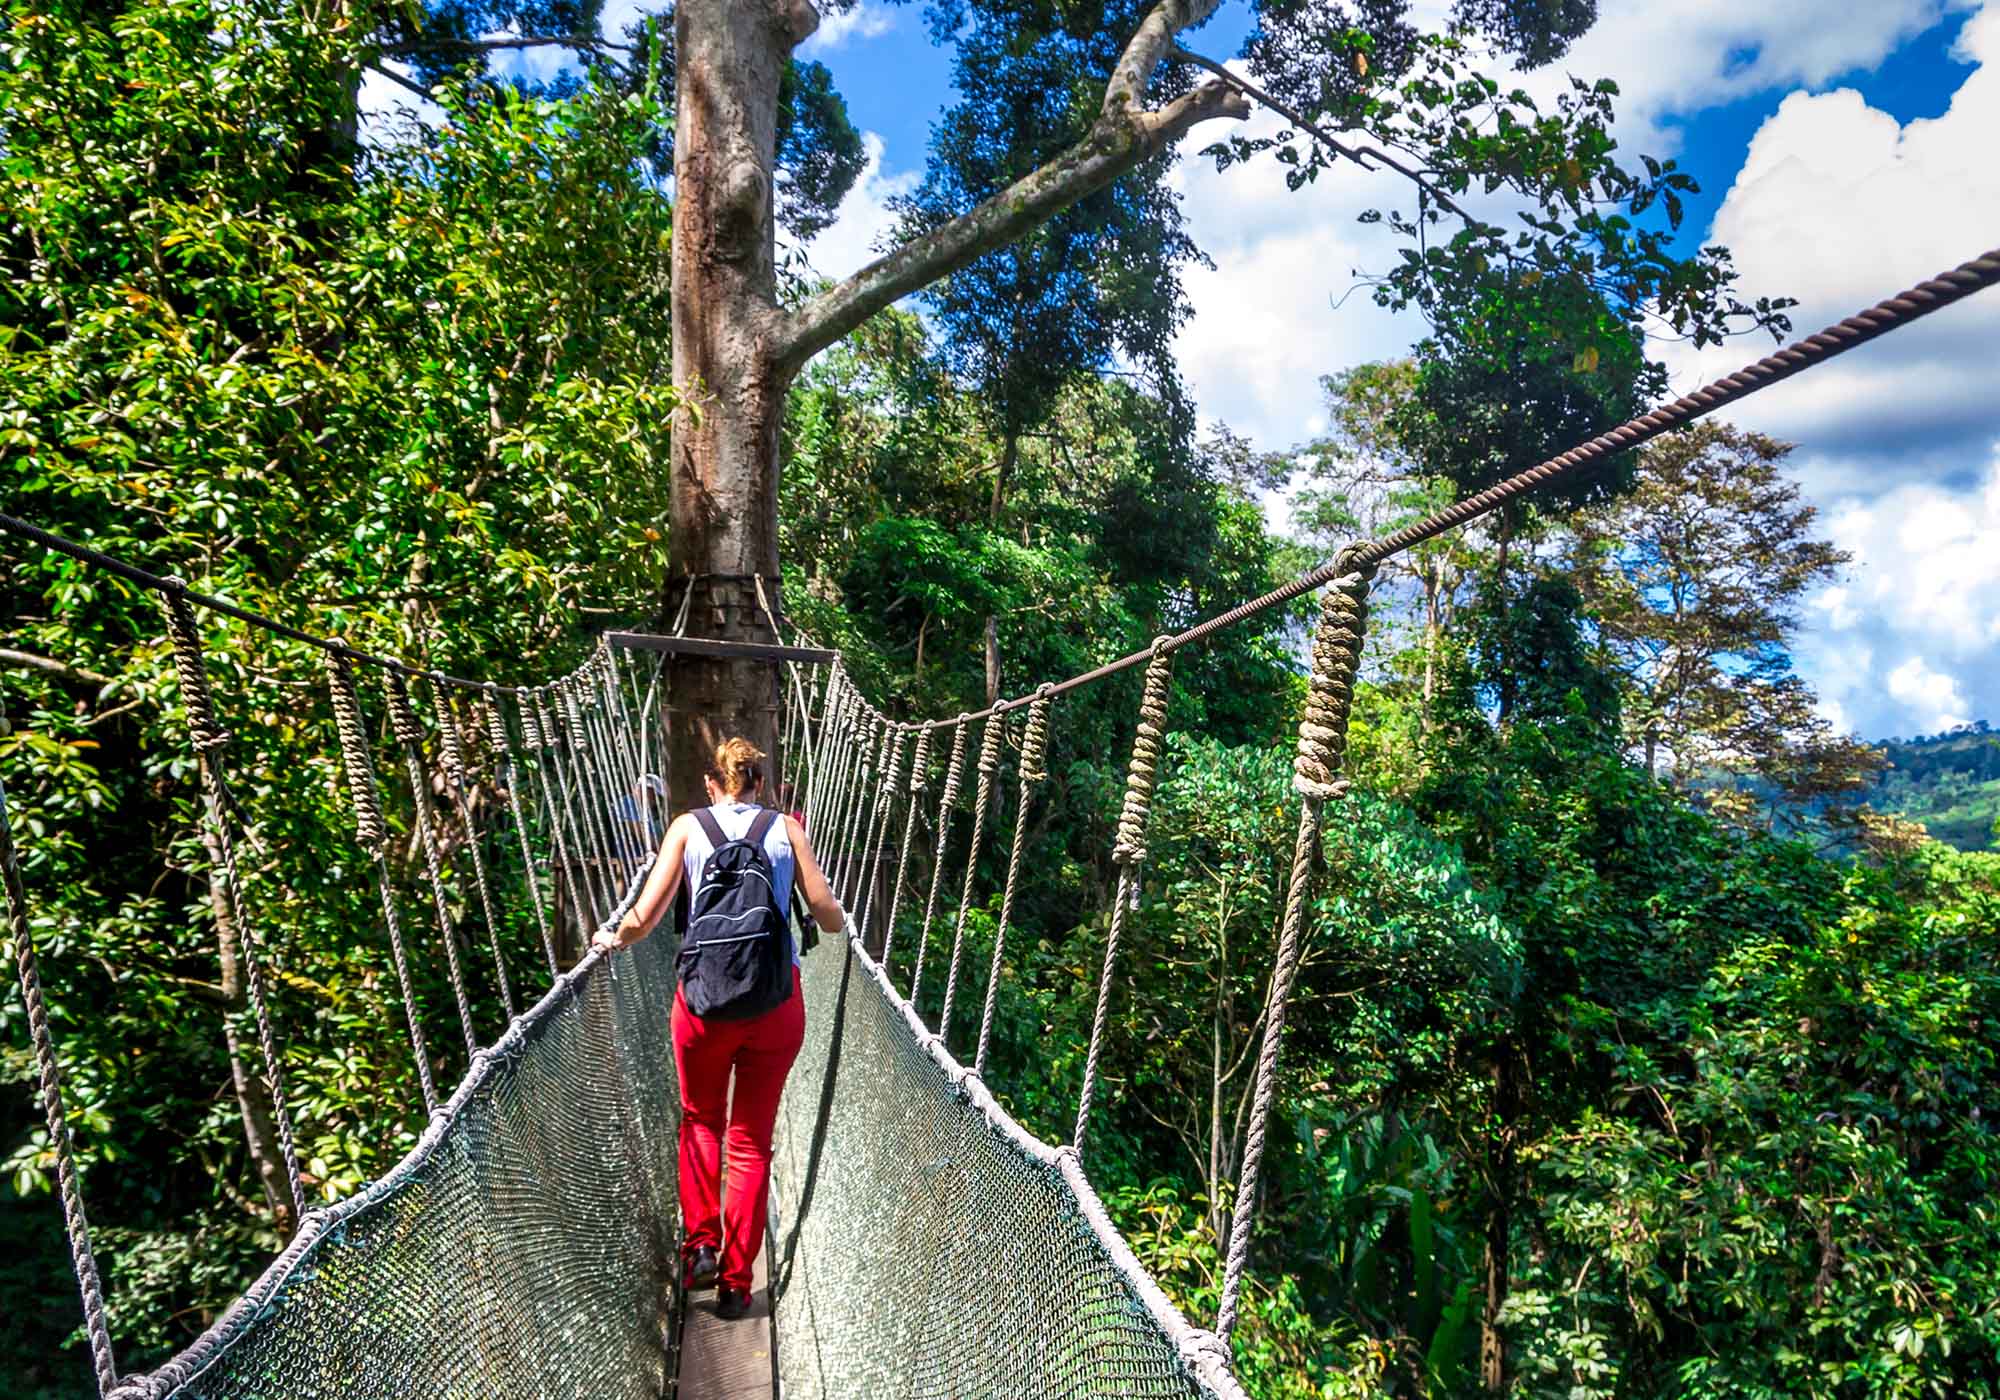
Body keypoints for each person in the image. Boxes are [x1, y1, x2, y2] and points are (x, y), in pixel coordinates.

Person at [593, 738, 843, 1320]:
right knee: (750, 1142)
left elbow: (645, 917)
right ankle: (736, 1285)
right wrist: (833, 913)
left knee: (701, 1120)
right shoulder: (786, 829)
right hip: (775, 1003)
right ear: (760, 784)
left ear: (712, 784)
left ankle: (701, 1247)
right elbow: (828, 918)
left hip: (702, 1005)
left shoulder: (687, 828)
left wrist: (613, 937)